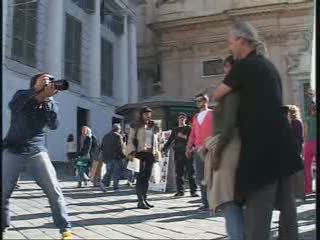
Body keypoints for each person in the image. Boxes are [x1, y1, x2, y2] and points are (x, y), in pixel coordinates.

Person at [212, 21, 303, 240]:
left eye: (231, 42)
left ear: (242, 42)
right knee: (287, 208)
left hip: (261, 148)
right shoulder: (268, 65)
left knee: (258, 211)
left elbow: (217, 94)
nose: (229, 47)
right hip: (284, 143)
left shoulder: (244, 67)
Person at [2, 73, 73, 239]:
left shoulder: (51, 103)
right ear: (35, 82)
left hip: (37, 151)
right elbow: (14, 106)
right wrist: (35, 92)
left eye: (52, 81)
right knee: (3, 192)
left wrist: (47, 102)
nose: (51, 83)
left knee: (54, 191)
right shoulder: (22, 95)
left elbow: (54, 125)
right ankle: (3, 225)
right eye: (46, 80)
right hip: (13, 150)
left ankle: (65, 228)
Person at [206, 55, 244, 240]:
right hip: (242, 146)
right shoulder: (249, 87)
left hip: (230, 147)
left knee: (228, 199)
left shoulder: (231, 90)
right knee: (238, 199)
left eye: (226, 68)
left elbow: (228, 125)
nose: (224, 72)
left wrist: (217, 152)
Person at [126, 106, 161, 209]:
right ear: (141, 114)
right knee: (140, 177)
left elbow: (157, 140)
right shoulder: (135, 125)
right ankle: (140, 201)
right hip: (139, 154)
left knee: (146, 177)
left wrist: (157, 152)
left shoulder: (153, 125)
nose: (148, 115)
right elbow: (130, 139)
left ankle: (145, 198)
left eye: (149, 113)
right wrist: (132, 152)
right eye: (146, 113)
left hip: (150, 154)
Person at [186, 93, 214, 211]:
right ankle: (204, 202)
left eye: (199, 100)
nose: (197, 103)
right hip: (198, 149)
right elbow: (193, 134)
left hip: (211, 148)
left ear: (205, 101)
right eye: (196, 101)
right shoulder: (196, 116)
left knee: (212, 175)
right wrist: (188, 147)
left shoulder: (213, 114)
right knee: (201, 175)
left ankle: (214, 202)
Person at [162, 112, 198, 197]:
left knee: (190, 173)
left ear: (185, 119)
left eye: (183, 117)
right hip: (178, 153)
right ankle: (180, 191)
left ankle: (193, 191)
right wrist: (164, 148)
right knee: (179, 173)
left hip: (188, 152)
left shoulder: (189, 128)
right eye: (180, 117)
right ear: (178, 119)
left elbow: (193, 140)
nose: (182, 119)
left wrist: (184, 137)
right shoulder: (175, 129)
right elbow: (170, 140)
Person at [100, 123, 126, 192]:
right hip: (116, 157)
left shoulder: (106, 136)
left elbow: (102, 147)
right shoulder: (118, 136)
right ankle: (115, 188)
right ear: (118, 129)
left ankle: (103, 183)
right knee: (116, 173)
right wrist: (124, 156)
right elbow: (120, 148)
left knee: (109, 171)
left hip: (107, 157)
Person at [287, 105, 305, 200]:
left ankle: (299, 194)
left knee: (296, 171)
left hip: (295, 148)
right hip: (297, 147)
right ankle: (299, 194)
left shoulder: (295, 122)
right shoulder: (297, 122)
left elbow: (296, 137)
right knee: (297, 171)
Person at [304, 102, 317, 195]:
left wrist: (305, 143)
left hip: (309, 144)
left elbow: (305, 133)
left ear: (312, 110)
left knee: (308, 167)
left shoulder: (307, 119)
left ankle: (309, 189)